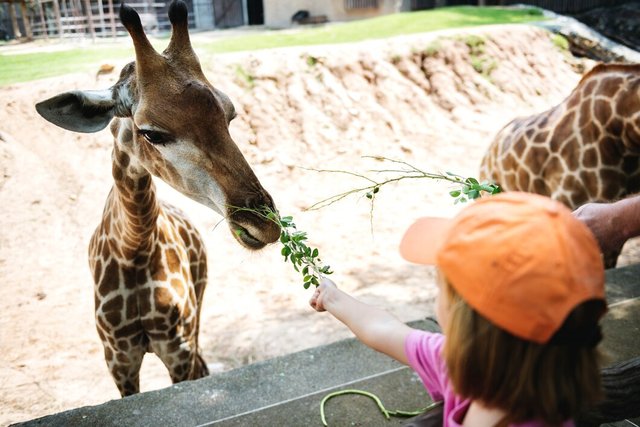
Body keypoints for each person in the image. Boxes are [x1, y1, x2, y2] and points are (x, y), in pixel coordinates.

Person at [310, 191, 607, 426]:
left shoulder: (456, 367)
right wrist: (333, 298)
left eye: (442, 290)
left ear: (467, 319)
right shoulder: (462, 363)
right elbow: (382, 329)